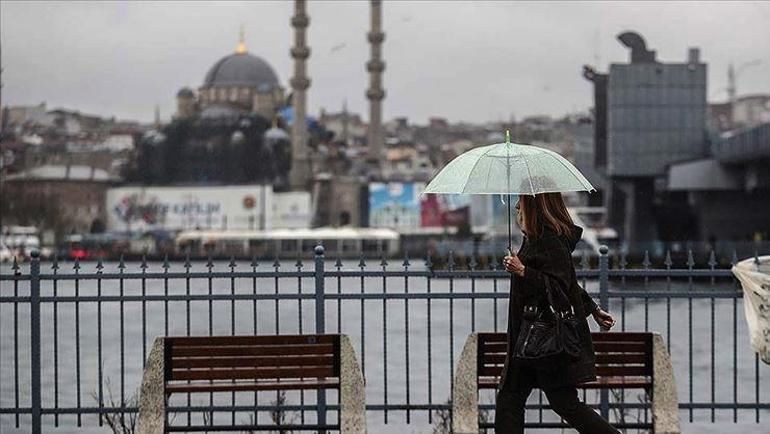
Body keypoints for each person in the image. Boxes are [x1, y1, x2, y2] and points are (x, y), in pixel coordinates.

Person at [495, 192, 619, 433]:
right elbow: (568, 285)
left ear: (535, 205)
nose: (517, 206)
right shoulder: (534, 239)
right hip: (530, 339)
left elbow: (560, 288)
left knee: (563, 404)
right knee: (512, 398)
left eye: (522, 201)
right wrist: (592, 309)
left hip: (542, 338)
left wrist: (523, 271)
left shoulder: (549, 241)